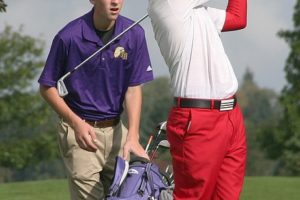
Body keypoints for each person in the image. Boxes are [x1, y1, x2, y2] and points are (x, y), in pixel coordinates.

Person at [38, 0, 153, 199]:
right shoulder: (69, 37)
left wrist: (132, 136)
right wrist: (76, 123)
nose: (115, 2)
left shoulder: (134, 33)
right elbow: (47, 87)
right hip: (80, 132)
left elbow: (133, 89)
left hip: (117, 131)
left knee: (129, 194)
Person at [148, 0, 247, 199]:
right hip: (198, 120)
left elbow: (237, 19)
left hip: (230, 116)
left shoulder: (195, 11)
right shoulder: (169, 3)